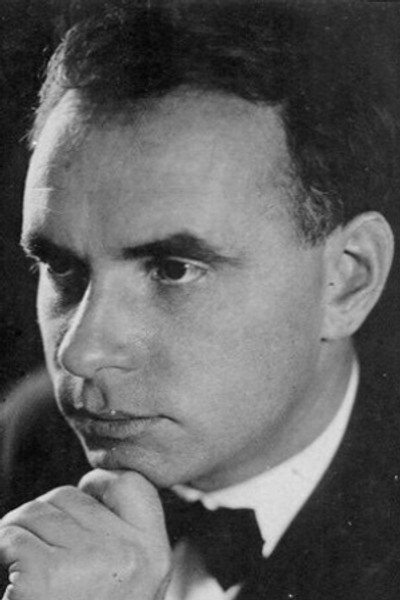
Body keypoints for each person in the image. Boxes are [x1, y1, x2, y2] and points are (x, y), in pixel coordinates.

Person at [1, 1, 400, 599]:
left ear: (347, 280)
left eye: (172, 270)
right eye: (62, 267)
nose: (80, 354)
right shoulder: (24, 438)